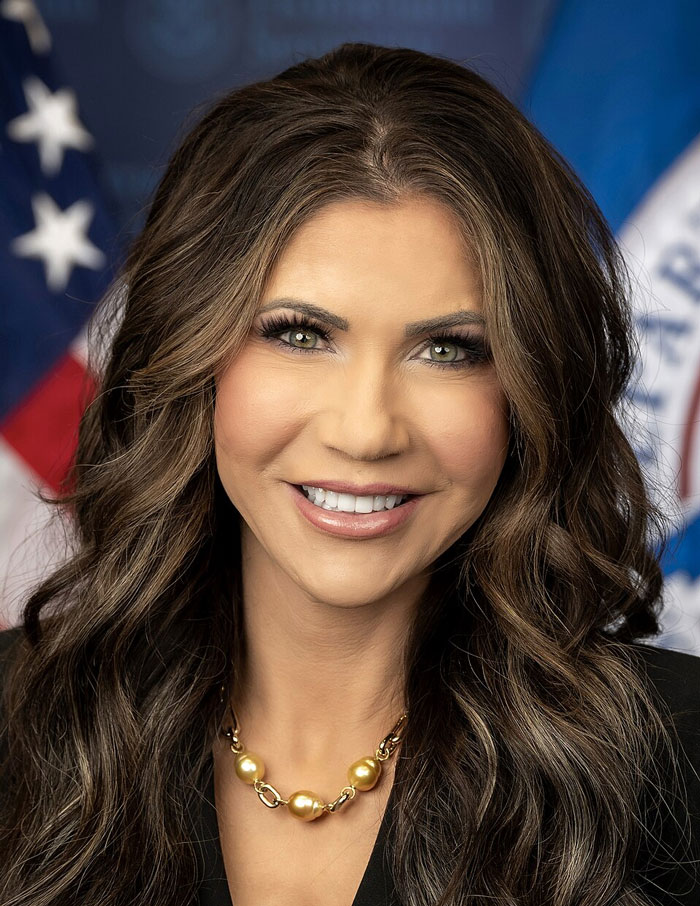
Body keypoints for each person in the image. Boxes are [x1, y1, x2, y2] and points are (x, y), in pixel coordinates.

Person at [0, 41, 699, 906]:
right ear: (192, 355)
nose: (366, 432)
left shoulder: (679, 760)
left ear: (530, 392)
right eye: (299, 334)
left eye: (448, 350)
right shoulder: (17, 727)